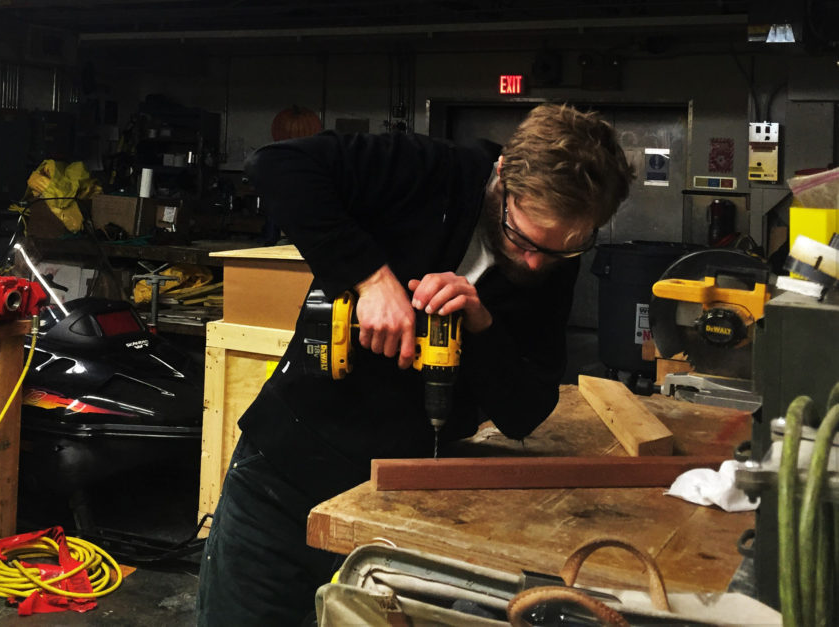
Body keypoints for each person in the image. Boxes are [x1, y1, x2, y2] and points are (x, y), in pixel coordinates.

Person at [195, 103, 634, 626]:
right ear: (501, 179)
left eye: (563, 248)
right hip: (292, 472)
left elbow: (527, 411)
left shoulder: (551, 258)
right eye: (523, 237)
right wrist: (369, 278)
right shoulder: (429, 169)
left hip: (414, 501)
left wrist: (482, 327)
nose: (535, 262)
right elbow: (277, 165)